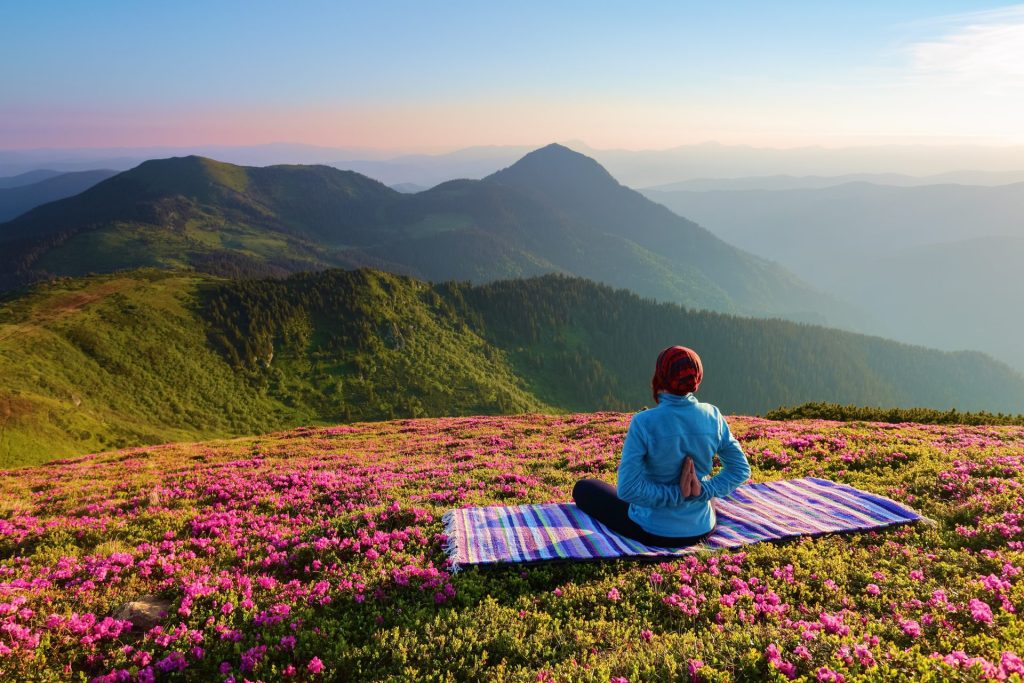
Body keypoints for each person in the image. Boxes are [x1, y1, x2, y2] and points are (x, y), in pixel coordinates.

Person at [572, 345, 750, 547]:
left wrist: (677, 494)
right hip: (702, 529)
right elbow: (740, 470)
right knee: (707, 485)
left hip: (655, 532)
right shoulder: (713, 415)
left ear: (661, 377)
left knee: (584, 488)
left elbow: (628, 490)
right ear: (697, 379)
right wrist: (701, 491)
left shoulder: (644, 422)